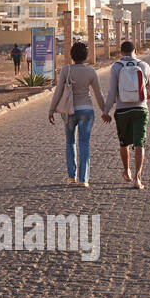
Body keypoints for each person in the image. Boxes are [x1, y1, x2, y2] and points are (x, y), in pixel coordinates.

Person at [48, 41, 106, 188]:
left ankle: (71, 177)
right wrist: (105, 110)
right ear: (86, 56)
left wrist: (51, 110)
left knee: (70, 142)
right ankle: (84, 179)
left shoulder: (65, 70)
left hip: (69, 112)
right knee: (84, 144)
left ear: (71, 55)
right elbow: (98, 94)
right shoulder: (91, 72)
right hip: (87, 111)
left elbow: (58, 92)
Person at [102, 40, 150, 189]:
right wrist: (144, 96)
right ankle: (137, 178)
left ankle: (126, 170)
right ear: (136, 51)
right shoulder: (143, 65)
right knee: (139, 142)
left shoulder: (116, 67)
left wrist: (105, 111)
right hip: (140, 109)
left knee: (124, 143)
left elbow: (112, 93)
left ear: (121, 53)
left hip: (122, 111)